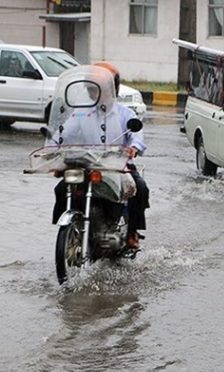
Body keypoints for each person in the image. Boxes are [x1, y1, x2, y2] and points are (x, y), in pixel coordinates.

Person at [51, 61, 150, 249]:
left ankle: (132, 233)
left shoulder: (125, 114)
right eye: (90, 89)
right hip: (88, 164)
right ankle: (68, 230)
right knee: (61, 189)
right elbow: (64, 132)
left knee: (141, 188)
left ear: (112, 89)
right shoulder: (81, 113)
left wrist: (134, 148)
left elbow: (137, 136)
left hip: (118, 166)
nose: (93, 93)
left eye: (97, 89)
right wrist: (53, 145)